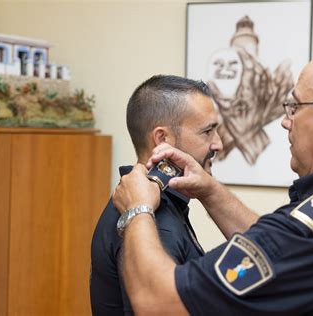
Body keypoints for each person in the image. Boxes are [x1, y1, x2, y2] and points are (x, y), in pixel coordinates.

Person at [112, 52, 313, 315]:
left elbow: (158, 303)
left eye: (295, 107)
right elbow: (284, 254)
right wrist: (210, 190)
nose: (285, 121)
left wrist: (137, 209)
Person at [90, 75, 223, 315]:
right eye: (207, 132)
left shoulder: (162, 206)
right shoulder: (152, 222)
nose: (218, 144)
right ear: (162, 139)